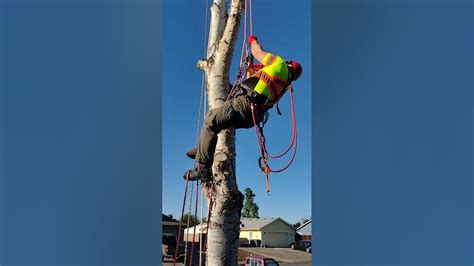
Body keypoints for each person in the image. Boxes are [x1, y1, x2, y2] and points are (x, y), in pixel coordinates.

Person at [183, 35, 303, 182]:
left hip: (244, 104)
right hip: (252, 117)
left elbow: (258, 52)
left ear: (289, 64)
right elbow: (255, 82)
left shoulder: (280, 64)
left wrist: (252, 40)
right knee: (218, 124)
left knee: (210, 122)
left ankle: (203, 169)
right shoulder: (283, 85)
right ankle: (203, 150)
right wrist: (250, 67)